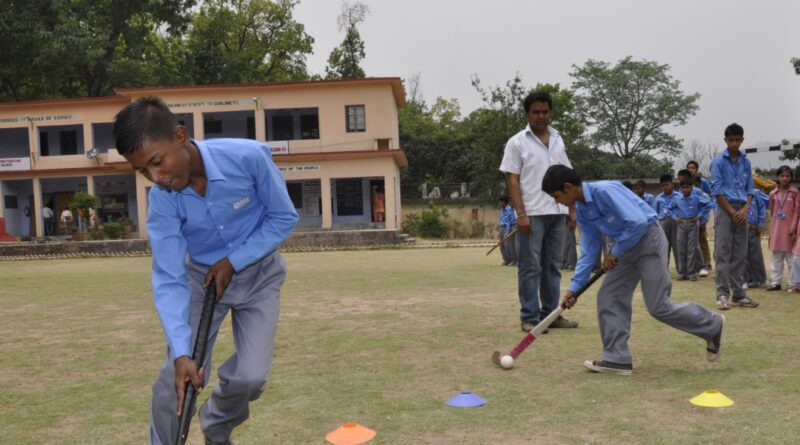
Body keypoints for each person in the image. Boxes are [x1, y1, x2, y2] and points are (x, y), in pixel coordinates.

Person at [113, 97, 298, 445]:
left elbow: (283, 217)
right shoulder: (163, 199)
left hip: (259, 276)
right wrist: (183, 353)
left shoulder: (248, 157)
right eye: (143, 171)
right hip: (201, 281)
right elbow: (168, 275)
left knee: (251, 377)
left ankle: (215, 423)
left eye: (157, 162)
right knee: (176, 377)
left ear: (180, 136)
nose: (157, 177)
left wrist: (234, 261)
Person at [542, 164, 724, 375]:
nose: (557, 202)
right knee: (608, 297)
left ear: (567, 187)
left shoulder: (605, 190)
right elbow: (589, 251)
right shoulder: (582, 210)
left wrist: (614, 252)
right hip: (623, 251)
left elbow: (637, 223)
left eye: (556, 196)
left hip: (648, 241)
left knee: (658, 306)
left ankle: (712, 325)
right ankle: (616, 358)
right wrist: (574, 289)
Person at [499, 91, 578, 332]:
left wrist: (572, 208)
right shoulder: (517, 142)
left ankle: (551, 315)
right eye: (536, 112)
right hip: (531, 214)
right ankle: (530, 317)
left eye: (545, 112)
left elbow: (568, 176)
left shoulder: (558, 139)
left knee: (553, 266)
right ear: (527, 114)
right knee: (530, 267)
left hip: (558, 211)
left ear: (550, 113)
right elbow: (512, 180)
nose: (541, 116)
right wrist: (520, 214)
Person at [710, 123, 759, 310]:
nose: (734, 143)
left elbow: (750, 188)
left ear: (742, 140)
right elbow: (716, 189)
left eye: (738, 140)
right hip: (725, 209)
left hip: (743, 210)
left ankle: (739, 294)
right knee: (723, 254)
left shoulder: (746, 161)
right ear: (725, 140)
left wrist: (745, 208)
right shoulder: (718, 161)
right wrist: (732, 211)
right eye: (731, 140)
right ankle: (722, 294)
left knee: (740, 254)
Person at [668, 176, 713, 281]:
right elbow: (668, 209)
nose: (685, 189)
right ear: (680, 188)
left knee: (692, 249)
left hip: (693, 224)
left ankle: (691, 273)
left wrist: (699, 216)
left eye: (687, 187)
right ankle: (682, 273)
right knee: (681, 249)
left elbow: (708, 205)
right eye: (683, 187)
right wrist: (675, 217)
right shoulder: (676, 199)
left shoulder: (696, 198)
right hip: (681, 224)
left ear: (691, 188)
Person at [767, 166, 798, 291]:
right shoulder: (773, 194)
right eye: (782, 176)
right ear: (778, 177)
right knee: (776, 256)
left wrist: (794, 229)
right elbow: (772, 211)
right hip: (777, 229)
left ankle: (792, 283)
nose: (784, 178)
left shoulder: (795, 193)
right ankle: (775, 282)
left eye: (787, 176)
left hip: (790, 230)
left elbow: (797, 212)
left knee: (791, 257)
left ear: (791, 178)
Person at [687, 160, 714, 274]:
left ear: (697, 169)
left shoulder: (703, 182)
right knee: (692, 242)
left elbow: (712, 195)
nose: (691, 170)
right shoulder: (686, 182)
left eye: (693, 168)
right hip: (689, 217)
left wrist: (707, 212)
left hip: (701, 216)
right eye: (689, 168)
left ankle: (707, 263)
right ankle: (695, 264)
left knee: (702, 240)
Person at [654, 174, 679, 273]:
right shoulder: (658, 198)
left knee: (677, 246)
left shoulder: (679, 196)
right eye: (663, 185)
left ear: (672, 185)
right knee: (664, 246)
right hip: (663, 222)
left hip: (676, 222)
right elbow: (655, 212)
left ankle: (680, 270)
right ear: (661, 187)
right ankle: (664, 270)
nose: (665, 187)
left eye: (667, 184)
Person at [743, 189, 768, 288]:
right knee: (742, 255)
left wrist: (761, 223)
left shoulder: (755, 192)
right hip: (740, 228)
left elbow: (762, 207)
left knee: (756, 254)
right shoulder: (736, 191)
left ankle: (762, 279)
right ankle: (747, 280)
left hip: (753, 228)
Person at [498, 194, 517, 266]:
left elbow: (509, 221)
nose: (499, 204)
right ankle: (506, 259)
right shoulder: (501, 210)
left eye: (500, 202)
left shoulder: (509, 209)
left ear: (504, 202)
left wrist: (507, 231)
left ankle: (513, 259)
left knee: (509, 245)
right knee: (501, 245)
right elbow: (501, 219)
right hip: (501, 227)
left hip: (508, 227)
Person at [561, 204, 578, 271]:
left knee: (570, 241)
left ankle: (571, 264)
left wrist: (572, 217)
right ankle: (564, 263)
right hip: (562, 214)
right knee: (564, 241)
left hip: (569, 215)